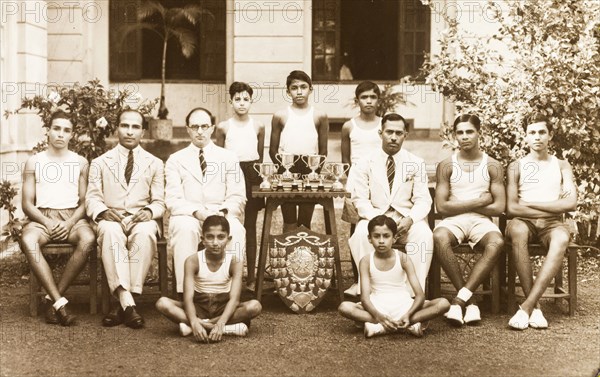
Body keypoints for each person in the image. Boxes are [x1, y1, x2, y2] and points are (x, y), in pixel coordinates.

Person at [86, 109, 166, 329]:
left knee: (146, 232)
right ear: (117, 128)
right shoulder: (100, 162)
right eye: (125, 126)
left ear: (143, 131)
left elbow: (160, 201)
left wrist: (149, 211)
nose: (129, 132)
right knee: (110, 232)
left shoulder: (155, 163)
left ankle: (121, 303)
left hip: (141, 218)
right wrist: (102, 212)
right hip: (112, 218)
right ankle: (128, 303)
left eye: (135, 127)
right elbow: (91, 199)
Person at [20, 110, 96, 326]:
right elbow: (27, 203)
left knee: (88, 239)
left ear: (72, 135)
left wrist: (70, 222)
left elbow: (84, 202)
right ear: (49, 131)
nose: (61, 134)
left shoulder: (80, 162)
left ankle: (51, 298)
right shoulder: (34, 162)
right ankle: (60, 302)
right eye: (56, 128)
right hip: (42, 217)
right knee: (28, 240)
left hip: (72, 218)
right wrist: (47, 222)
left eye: (66, 130)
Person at [348, 113, 433, 296]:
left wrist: (410, 219)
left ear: (405, 135)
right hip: (375, 217)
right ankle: (369, 294)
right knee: (361, 234)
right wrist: (376, 220)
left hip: (405, 220)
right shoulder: (364, 162)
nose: (393, 137)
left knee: (424, 236)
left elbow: (423, 200)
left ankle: (412, 295)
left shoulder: (416, 163)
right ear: (381, 133)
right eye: (389, 132)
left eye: (398, 133)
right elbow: (360, 199)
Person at [506, 113, 577, 330]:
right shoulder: (516, 166)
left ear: (550, 135)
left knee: (562, 238)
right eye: (532, 132)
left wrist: (531, 203)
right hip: (522, 221)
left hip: (552, 224)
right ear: (525, 137)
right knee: (517, 230)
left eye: (542, 132)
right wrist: (553, 203)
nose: (537, 137)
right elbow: (511, 208)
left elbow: (571, 203)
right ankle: (535, 307)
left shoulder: (562, 165)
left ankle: (527, 307)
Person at [433, 114, 506, 326]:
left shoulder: (492, 165)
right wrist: (480, 200)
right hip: (453, 219)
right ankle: (471, 301)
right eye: (460, 132)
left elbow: (499, 207)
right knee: (438, 237)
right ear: (455, 136)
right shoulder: (447, 165)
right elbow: (442, 206)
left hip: (480, 220)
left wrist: (475, 205)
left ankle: (458, 301)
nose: (464, 137)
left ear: (479, 133)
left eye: (469, 132)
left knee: (497, 242)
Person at [166, 107, 246, 294]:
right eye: (195, 126)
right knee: (184, 228)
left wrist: (223, 213)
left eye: (204, 126)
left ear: (212, 128)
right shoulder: (175, 160)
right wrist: (197, 212)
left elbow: (237, 196)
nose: (200, 131)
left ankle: (228, 291)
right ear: (187, 129)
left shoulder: (229, 158)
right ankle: (185, 292)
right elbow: (172, 198)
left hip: (221, 213)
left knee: (236, 230)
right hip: (189, 214)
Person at [338, 215, 450, 338]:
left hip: (403, 305)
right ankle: (404, 325)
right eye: (376, 236)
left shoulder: (403, 258)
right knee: (344, 307)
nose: (381, 241)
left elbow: (419, 295)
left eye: (386, 236)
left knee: (443, 303)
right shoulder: (366, 261)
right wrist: (378, 315)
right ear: (369, 238)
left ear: (395, 238)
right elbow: (365, 298)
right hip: (377, 306)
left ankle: (382, 326)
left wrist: (408, 314)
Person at [155, 216, 262, 342]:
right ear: (203, 240)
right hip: (199, 306)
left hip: (223, 307)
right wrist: (194, 320)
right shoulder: (193, 260)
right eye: (210, 237)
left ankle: (200, 327)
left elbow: (234, 299)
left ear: (228, 239)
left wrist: (220, 322)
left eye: (221, 237)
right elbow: (188, 298)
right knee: (162, 303)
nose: (215, 242)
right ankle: (224, 328)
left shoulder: (235, 262)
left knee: (255, 306)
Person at [215, 82, 265, 288]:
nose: (242, 103)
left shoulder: (258, 126)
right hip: (229, 172)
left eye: (246, 99)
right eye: (237, 99)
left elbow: (259, 155)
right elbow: (217, 155)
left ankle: (251, 277)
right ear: (231, 102)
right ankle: (224, 274)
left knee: (250, 225)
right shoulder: (224, 127)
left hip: (251, 173)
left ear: (251, 101)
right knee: (226, 222)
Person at [269, 70, 329, 231]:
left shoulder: (319, 115)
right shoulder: (280, 115)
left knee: (304, 221)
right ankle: (286, 254)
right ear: (288, 91)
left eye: (303, 87)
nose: (299, 91)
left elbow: (323, 150)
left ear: (311, 89)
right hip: (287, 166)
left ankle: (304, 255)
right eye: (294, 88)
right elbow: (272, 150)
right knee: (289, 219)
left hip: (310, 167)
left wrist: (315, 171)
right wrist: (283, 170)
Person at [341, 81, 383, 295]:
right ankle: (358, 278)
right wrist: (352, 184)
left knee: (380, 226)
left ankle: (380, 276)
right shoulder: (349, 126)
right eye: (364, 97)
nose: (368, 101)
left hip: (380, 183)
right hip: (357, 183)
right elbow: (345, 160)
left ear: (378, 100)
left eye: (372, 97)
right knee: (356, 230)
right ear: (357, 100)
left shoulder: (384, 125)